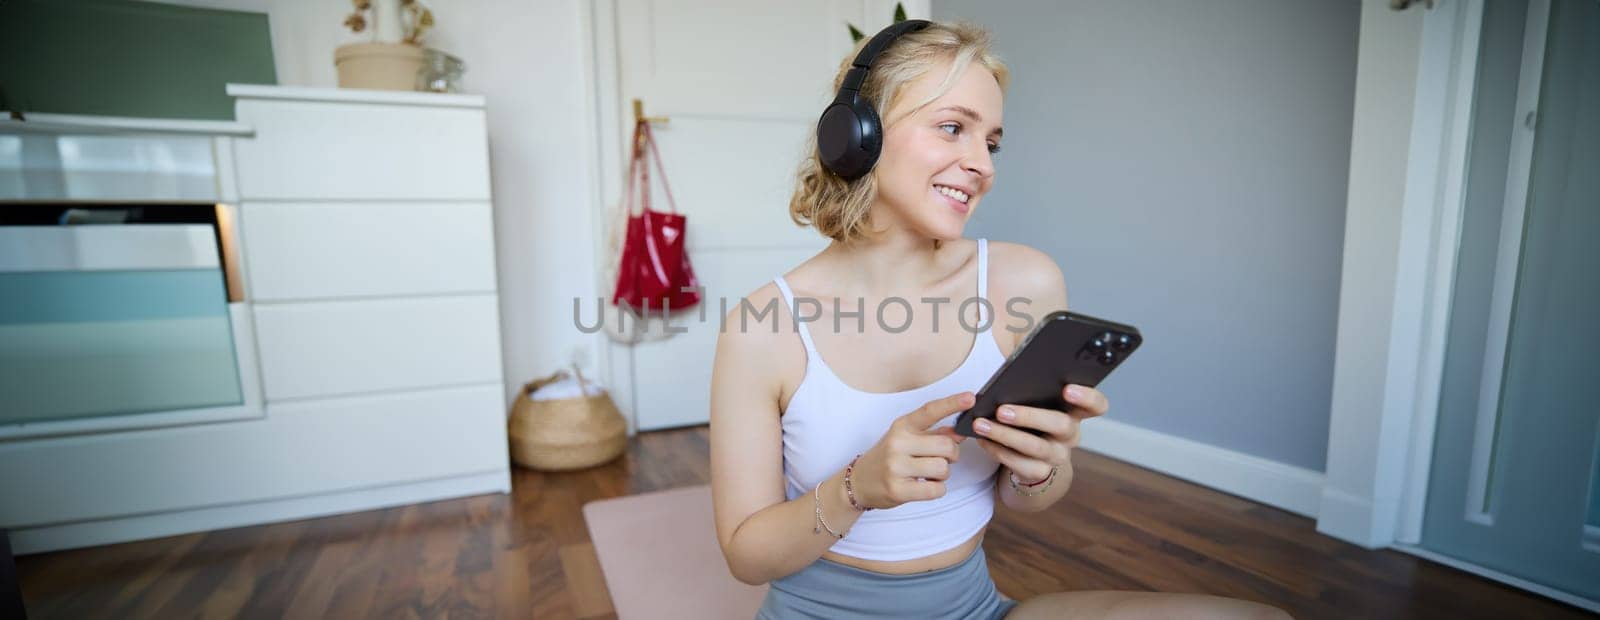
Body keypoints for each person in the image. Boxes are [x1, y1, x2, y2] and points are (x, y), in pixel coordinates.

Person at [708, 19, 1293, 620]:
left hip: (973, 608)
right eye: (953, 128)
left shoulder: (1024, 281)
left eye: (991, 143)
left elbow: (1031, 499)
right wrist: (856, 487)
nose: (982, 165)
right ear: (858, 135)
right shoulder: (765, 326)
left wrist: (1040, 467)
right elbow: (747, 557)